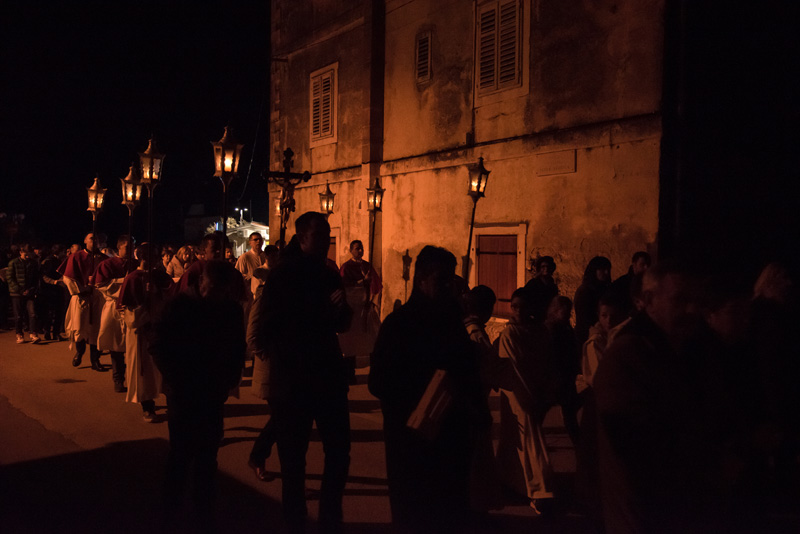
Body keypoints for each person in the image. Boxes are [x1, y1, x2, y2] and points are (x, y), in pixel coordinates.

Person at [370, 246, 488, 533]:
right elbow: (379, 382)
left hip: (452, 438)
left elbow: (467, 370)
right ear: (421, 279)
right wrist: (422, 396)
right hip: (412, 441)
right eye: (441, 280)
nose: (448, 287)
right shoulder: (398, 324)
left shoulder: (453, 323)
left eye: (451, 280)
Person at [254, 212, 352, 533]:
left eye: (327, 236)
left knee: (339, 449)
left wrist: (340, 308)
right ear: (302, 238)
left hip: (327, 375)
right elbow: (271, 326)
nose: (325, 243)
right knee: (294, 458)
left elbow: (341, 323)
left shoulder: (327, 273)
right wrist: (321, 313)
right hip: (293, 378)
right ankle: (296, 520)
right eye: (319, 237)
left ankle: (329, 516)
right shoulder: (283, 275)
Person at [593, 262, 699, 534]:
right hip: (647, 510)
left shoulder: (680, 348)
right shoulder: (628, 356)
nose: (691, 309)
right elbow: (634, 446)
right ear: (649, 301)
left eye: (694, 300)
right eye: (680, 300)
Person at [151, 260, 246, 525]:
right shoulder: (179, 306)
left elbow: (237, 347)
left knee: (208, 452)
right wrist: (174, 377)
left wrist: (229, 378)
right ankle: (171, 509)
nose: (217, 295)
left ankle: (204, 507)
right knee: (180, 452)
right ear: (202, 281)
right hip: (183, 389)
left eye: (222, 290)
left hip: (213, 390)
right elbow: (158, 342)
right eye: (213, 288)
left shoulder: (229, 309)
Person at [495, 288, 557, 514]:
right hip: (517, 395)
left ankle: (536, 488)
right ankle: (530, 487)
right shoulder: (510, 334)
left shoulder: (539, 331)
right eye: (514, 307)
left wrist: (543, 394)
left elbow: (547, 363)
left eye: (522, 306)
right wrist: (529, 398)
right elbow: (514, 368)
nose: (518, 311)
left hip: (532, 393)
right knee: (522, 441)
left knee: (529, 442)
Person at [119, 243, 174, 421]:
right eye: (153, 256)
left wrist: (158, 294)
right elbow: (127, 309)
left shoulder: (159, 275)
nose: (156, 260)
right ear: (143, 257)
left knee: (165, 368)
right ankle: (147, 406)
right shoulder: (133, 278)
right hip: (141, 330)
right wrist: (146, 303)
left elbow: (171, 295)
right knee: (144, 370)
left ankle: (173, 403)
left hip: (161, 328)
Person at [246, 243, 281, 482]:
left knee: (285, 418)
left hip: (285, 366)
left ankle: (259, 456)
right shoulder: (264, 297)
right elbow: (252, 335)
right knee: (281, 417)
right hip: (272, 366)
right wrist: (264, 354)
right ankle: (258, 456)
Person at [94, 235, 137, 392]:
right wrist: (123, 283)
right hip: (114, 307)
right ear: (119, 247)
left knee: (134, 346)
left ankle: (134, 378)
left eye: (133, 247)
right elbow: (100, 285)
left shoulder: (137, 264)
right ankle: (118, 379)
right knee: (116, 346)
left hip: (133, 309)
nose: (131, 250)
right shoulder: (107, 264)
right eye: (127, 247)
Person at [58, 233, 106, 370]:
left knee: (96, 329)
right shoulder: (76, 257)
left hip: (97, 298)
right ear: (85, 240)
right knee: (80, 327)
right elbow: (67, 277)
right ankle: (80, 352)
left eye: (97, 239)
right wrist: (81, 290)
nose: (94, 241)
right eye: (91, 238)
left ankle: (95, 360)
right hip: (81, 298)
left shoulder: (104, 259)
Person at [338, 239, 382, 382]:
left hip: (366, 309)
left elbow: (377, 286)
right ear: (351, 250)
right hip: (352, 310)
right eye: (357, 248)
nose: (360, 251)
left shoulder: (367, 266)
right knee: (351, 343)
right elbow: (344, 286)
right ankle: (349, 374)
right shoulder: (346, 267)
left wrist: (372, 300)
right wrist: (362, 282)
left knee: (373, 339)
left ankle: (375, 373)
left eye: (361, 248)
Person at [545, 295, 581, 447]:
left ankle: (579, 443)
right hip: (559, 375)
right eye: (563, 310)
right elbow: (553, 353)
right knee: (565, 410)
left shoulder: (565, 327)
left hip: (566, 375)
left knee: (569, 411)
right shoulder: (553, 329)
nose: (567, 313)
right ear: (556, 310)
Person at [574, 256, 612, 348]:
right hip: (588, 336)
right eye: (602, 269)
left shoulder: (605, 289)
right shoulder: (585, 291)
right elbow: (584, 318)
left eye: (608, 269)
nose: (606, 272)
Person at [7, 244, 42, 344]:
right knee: (18, 315)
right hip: (16, 293)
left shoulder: (33, 263)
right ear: (20, 252)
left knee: (32, 313)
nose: (27, 256)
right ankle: (19, 334)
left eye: (28, 254)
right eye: (25, 254)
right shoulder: (13, 263)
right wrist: (20, 290)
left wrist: (31, 290)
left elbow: (35, 278)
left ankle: (33, 334)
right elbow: (10, 278)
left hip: (29, 292)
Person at [523, 255, 559, 322]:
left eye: (548, 266)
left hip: (548, 318)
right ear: (539, 268)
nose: (546, 269)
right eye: (543, 266)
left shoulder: (552, 286)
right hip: (535, 318)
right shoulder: (533, 284)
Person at [235, 232, 267, 298]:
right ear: (250, 242)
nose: (258, 241)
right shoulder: (244, 257)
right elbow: (238, 275)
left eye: (260, 239)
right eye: (255, 240)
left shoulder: (265, 256)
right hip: (249, 293)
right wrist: (252, 277)